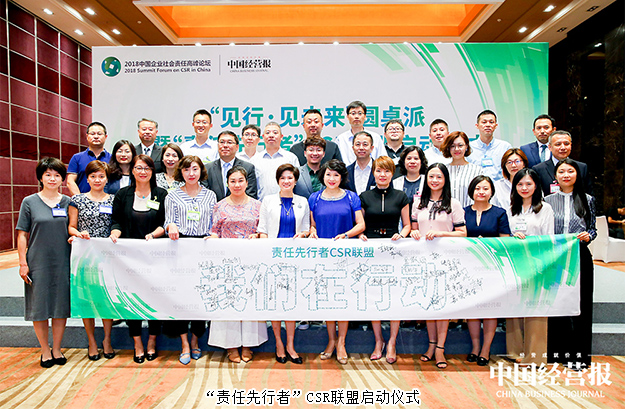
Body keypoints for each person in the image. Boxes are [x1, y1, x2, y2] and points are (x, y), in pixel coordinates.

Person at [109, 154, 168, 364]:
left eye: (147, 168)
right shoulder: (122, 194)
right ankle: (137, 343)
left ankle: (152, 340)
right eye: (139, 168)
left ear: (153, 172)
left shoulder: (161, 194)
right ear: (132, 171)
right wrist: (115, 233)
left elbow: (165, 223)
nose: (143, 172)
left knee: (154, 299)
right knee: (131, 300)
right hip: (129, 258)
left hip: (155, 256)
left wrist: (154, 234)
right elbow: (116, 221)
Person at [410, 163, 467, 369]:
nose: (434, 180)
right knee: (429, 304)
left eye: (439, 177)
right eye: (431, 177)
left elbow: (463, 233)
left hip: (446, 259)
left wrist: (441, 234)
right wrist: (414, 232)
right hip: (423, 260)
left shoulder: (454, 203)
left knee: (442, 306)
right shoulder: (418, 203)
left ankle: (441, 349)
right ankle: (431, 345)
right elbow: (414, 229)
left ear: (445, 180)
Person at [207, 166, 267, 363]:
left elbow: (263, 231)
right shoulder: (219, 206)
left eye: (241, 180)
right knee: (229, 302)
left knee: (249, 301)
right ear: (227, 183)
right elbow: (214, 231)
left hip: (251, 261)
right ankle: (231, 345)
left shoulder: (258, 205)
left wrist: (257, 236)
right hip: (227, 263)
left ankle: (248, 344)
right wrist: (213, 240)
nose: (237, 184)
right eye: (233, 181)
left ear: (247, 183)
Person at [16, 157, 71, 368]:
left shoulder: (67, 202)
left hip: (62, 260)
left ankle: (57, 348)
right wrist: (23, 263)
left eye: (57, 175)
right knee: (39, 307)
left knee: (60, 306)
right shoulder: (29, 202)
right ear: (40, 177)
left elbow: (72, 229)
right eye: (48, 174)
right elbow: (22, 234)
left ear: (62, 179)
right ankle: (45, 350)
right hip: (37, 260)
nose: (52, 179)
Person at [309, 159, 365, 364]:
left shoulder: (351, 197)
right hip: (322, 258)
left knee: (342, 299)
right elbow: (313, 225)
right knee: (327, 300)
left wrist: (346, 235)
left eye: (336, 175)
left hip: (345, 256)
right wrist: (312, 231)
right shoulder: (314, 198)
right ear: (322, 176)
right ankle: (331, 340)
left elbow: (361, 224)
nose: (331, 179)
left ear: (342, 178)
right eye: (328, 175)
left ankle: (341, 342)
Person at [164, 156, 216, 365]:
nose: (191, 173)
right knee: (181, 297)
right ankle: (184, 343)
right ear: (181, 172)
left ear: (201, 171)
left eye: (195, 169)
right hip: (180, 247)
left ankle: (195, 339)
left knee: (200, 296)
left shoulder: (210, 195)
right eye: (186, 170)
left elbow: (214, 223)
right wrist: (171, 226)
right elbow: (168, 221)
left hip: (203, 248)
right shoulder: (173, 195)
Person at [545, 158, 596, 368]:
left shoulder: (587, 199)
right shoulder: (547, 200)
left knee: (582, 304)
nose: (566, 175)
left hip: (579, 254)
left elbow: (592, 228)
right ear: (555, 176)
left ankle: (580, 356)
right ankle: (558, 353)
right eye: (562, 172)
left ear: (577, 174)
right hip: (555, 256)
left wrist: (589, 236)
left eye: (570, 171)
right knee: (556, 303)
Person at [359, 156, 410, 364]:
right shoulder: (364, 196)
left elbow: (407, 225)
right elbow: (360, 224)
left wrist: (402, 235)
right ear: (373, 173)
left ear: (392, 174)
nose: (382, 175)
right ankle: (378, 340)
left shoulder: (401, 196)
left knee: (394, 296)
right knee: (374, 296)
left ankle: (392, 342)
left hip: (393, 250)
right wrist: (360, 235)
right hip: (371, 251)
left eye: (387, 171)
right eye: (379, 171)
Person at [257, 164, 310, 364]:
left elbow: (306, 228)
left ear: (295, 181)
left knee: (291, 303)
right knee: (275, 302)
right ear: (277, 181)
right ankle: (279, 343)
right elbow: (262, 230)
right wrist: (266, 253)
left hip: (295, 258)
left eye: (290, 178)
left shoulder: (303, 201)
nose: (286, 181)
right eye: (282, 178)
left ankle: (291, 345)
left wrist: (303, 234)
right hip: (273, 258)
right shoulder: (268, 200)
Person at [68, 160, 115, 361]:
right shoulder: (77, 200)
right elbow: (71, 227)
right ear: (87, 179)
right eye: (93, 176)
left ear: (107, 179)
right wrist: (78, 234)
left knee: (105, 299)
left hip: (107, 257)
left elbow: (116, 224)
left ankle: (107, 340)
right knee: (86, 299)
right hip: (85, 257)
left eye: (101, 176)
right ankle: (92, 342)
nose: (97, 180)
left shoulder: (113, 200)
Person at [506, 168, 554, 366]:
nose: (524, 188)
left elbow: (549, 238)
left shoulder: (545, 208)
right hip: (515, 263)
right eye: (520, 184)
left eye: (528, 184)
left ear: (536, 186)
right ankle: (514, 351)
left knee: (536, 309)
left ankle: (534, 355)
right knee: (514, 309)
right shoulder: (511, 209)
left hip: (537, 263)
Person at [463, 175, 511, 366]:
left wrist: (488, 244)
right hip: (468, 266)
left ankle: (486, 349)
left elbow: (506, 241)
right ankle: (475, 347)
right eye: (477, 188)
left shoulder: (499, 213)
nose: (481, 192)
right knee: (472, 308)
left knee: (490, 308)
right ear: (471, 191)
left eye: (485, 188)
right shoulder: (463, 212)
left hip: (492, 267)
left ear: (491, 191)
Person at [532, 130, 592, 196]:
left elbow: (588, 194)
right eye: (558, 144)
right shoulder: (539, 169)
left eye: (566, 144)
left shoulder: (581, 167)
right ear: (550, 147)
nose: (563, 148)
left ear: (571, 145)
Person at [203, 131, 257, 201]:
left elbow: (251, 195)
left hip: (241, 207)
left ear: (237, 147)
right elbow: (205, 195)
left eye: (229, 142)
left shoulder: (248, 168)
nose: (225, 145)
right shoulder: (207, 169)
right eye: (222, 142)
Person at [252, 122, 299, 200]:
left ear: (281, 137)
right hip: (262, 204)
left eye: (275, 132)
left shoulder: (291, 158)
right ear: (263, 137)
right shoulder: (255, 160)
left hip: (287, 203)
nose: (271, 135)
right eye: (267, 133)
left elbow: (297, 183)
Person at [441, 131, 483, 208]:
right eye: (452, 146)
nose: (456, 149)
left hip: (470, 212)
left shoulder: (477, 170)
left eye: (460, 145)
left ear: (466, 146)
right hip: (446, 212)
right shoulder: (443, 170)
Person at [67, 122, 111, 195]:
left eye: (99, 134)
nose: (96, 136)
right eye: (92, 134)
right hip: (83, 200)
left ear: (105, 137)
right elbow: (70, 182)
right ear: (87, 136)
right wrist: (80, 199)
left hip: (107, 201)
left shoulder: (112, 158)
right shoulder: (77, 158)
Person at [468, 110, 511, 182]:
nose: (488, 125)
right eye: (484, 122)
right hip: (476, 187)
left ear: (496, 126)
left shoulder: (505, 147)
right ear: (477, 126)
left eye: (491, 122)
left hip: (499, 187)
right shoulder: (469, 148)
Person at [393, 146, 428, 218]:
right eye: (409, 158)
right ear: (403, 162)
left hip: (422, 220)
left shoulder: (427, 182)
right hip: (400, 221)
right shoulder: (395, 183)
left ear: (421, 162)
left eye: (416, 158)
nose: (412, 162)